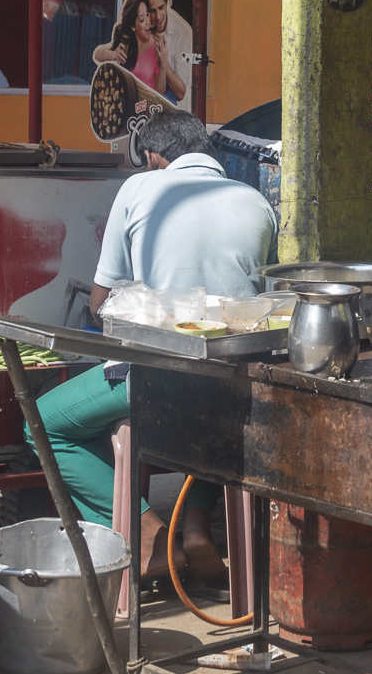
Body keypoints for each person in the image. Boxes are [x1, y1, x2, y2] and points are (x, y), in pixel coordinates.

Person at [28, 110, 278, 582]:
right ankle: (198, 523)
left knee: (41, 423)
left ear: (155, 157)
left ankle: (147, 530)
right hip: (234, 382)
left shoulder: (140, 190)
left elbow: (102, 303)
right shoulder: (256, 201)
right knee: (215, 411)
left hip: (155, 378)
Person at [94, 0, 168, 99]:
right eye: (142, 19)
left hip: (146, 106)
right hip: (125, 104)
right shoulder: (126, 44)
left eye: (148, 15)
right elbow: (97, 54)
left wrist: (163, 65)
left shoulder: (156, 46)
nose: (148, 21)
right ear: (133, 27)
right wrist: (113, 55)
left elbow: (159, 93)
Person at [143, 0, 192, 109]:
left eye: (161, 8)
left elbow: (180, 93)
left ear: (167, 2)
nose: (158, 16)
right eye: (153, 11)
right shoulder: (143, 23)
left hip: (172, 108)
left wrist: (163, 61)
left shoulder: (182, 33)